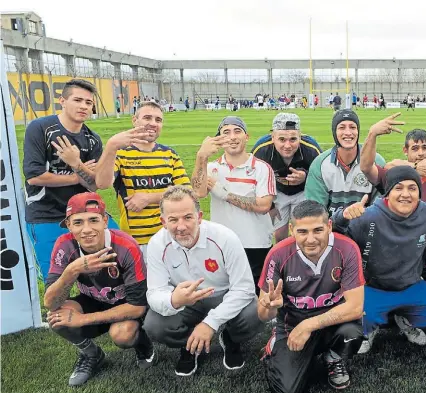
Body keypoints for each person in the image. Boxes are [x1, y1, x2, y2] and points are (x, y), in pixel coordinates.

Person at [332, 166, 426, 353]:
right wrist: (342, 218)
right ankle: (371, 327)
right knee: (357, 317)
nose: (406, 194)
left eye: (412, 188)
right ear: (387, 192)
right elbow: (334, 237)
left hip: (411, 285)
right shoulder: (368, 216)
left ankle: (405, 319)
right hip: (373, 287)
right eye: (398, 188)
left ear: (419, 192)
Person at [144, 186, 260, 376]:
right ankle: (189, 345)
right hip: (186, 301)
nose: (181, 226)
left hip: (222, 295)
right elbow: (154, 292)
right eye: (173, 219)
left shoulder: (225, 237)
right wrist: (174, 300)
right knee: (154, 325)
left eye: (187, 217)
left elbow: (245, 288)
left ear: (199, 216)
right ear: (163, 221)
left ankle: (230, 339)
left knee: (255, 312)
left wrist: (210, 323)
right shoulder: (157, 244)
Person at [259, 201, 365, 393]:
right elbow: (263, 315)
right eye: (302, 231)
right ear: (292, 230)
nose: (311, 239)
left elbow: (355, 306)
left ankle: (333, 357)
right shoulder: (278, 254)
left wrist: (309, 325)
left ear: (329, 227)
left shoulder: (347, 248)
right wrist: (271, 306)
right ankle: (275, 349)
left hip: (329, 324)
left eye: (318, 230)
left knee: (353, 332)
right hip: (291, 326)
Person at [44, 192, 153, 386]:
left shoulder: (126, 246)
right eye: (78, 223)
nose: (86, 229)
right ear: (69, 225)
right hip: (93, 299)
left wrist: (83, 319)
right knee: (56, 317)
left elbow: (137, 307)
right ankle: (92, 354)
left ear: (105, 221)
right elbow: (50, 302)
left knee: (122, 335)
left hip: (125, 303)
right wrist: (72, 270)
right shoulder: (64, 245)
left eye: (93, 220)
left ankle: (142, 343)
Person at [23, 79, 114, 280]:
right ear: (62, 101)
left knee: (113, 261)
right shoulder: (40, 129)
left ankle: (107, 303)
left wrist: (75, 163)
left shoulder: (92, 139)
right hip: (46, 213)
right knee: (53, 278)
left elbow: (94, 185)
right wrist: (78, 175)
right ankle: (55, 311)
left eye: (88, 103)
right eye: (78, 100)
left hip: (84, 213)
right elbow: (35, 177)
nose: (83, 106)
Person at [360, 115, 426, 287]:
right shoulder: (392, 178)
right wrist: (373, 133)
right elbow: (366, 167)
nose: (421, 153)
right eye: (415, 148)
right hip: (396, 266)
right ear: (405, 151)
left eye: (425, 148)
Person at [192, 117, 277, 291]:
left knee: (254, 293)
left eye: (237, 131)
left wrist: (224, 194)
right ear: (219, 139)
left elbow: (263, 206)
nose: (232, 137)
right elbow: (198, 193)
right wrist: (201, 157)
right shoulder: (211, 167)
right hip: (222, 243)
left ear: (247, 137)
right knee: (226, 290)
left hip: (255, 243)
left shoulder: (261, 168)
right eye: (226, 132)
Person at [94, 101, 191, 253]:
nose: (153, 123)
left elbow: (187, 192)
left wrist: (149, 198)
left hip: (171, 237)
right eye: (147, 118)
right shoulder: (120, 154)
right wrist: (111, 147)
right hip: (136, 242)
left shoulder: (169, 154)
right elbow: (102, 183)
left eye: (158, 120)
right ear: (135, 120)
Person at [251, 113, 323, 242]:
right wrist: (270, 206)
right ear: (273, 137)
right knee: (279, 235)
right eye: (282, 139)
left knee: (303, 231)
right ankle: (283, 259)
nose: (288, 145)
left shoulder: (311, 149)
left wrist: (306, 177)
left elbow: (323, 177)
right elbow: (252, 181)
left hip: (303, 192)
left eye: (293, 139)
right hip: (277, 192)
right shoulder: (261, 150)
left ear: (300, 137)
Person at [305, 110, 385, 216]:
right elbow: (315, 211)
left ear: (358, 131)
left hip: (366, 225)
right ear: (334, 132)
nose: (348, 132)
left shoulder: (376, 161)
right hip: (332, 227)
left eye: (352, 127)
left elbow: (381, 207)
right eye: (342, 127)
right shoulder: (319, 164)